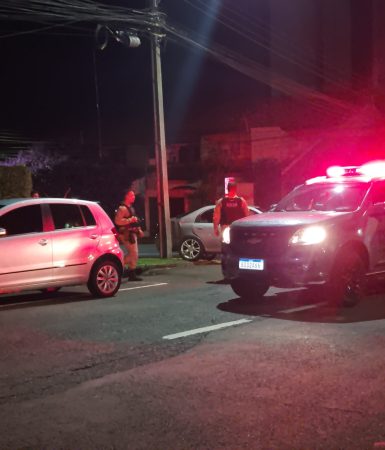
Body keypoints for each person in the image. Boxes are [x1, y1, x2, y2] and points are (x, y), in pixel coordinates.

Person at [114, 189, 144, 281]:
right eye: (131, 195)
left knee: (134, 254)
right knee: (134, 254)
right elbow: (117, 221)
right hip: (126, 234)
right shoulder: (122, 208)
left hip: (131, 233)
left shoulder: (130, 207)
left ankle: (131, 273)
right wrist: (130, 220)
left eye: (134, 195)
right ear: (126, 196)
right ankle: (116, 266)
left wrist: (139, 229)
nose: (133, 197)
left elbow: (134, 222)